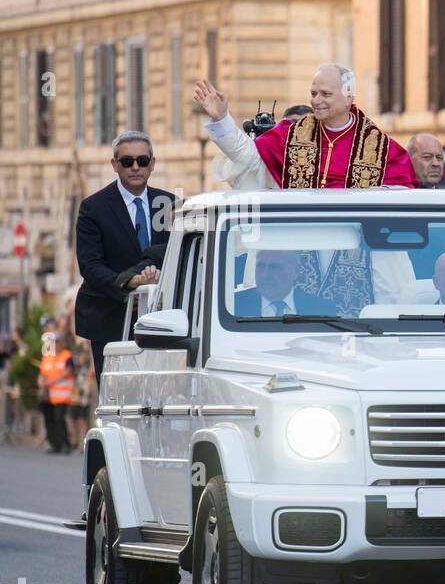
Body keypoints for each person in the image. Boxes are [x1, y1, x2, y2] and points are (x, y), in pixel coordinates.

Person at [194, 64, 416, 189]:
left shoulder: (379, 147)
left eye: (326, 94)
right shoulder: (291, 135)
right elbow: (247, 156)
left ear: (349, 97)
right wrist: (222, 119)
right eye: (313, 93)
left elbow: (402, 194)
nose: (316, 100)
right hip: (298, 248)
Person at [74, 130, 175, 377]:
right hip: (110, 319)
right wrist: (132, 280)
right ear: (115, 165)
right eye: (127, 161)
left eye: (142, 160)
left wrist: (157, 275)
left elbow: (178, 254)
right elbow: (90, 265)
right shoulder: (93, 208)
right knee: (115, 398)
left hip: (163, 321)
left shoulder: (171, 204)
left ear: (152, 164)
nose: (135, 167)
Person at [234, 251, 339, 317]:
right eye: (261, 266)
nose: (265, 275)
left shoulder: (323, 309)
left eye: (275, 267)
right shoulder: (234, 305)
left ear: (296, 271)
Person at [37, 333, 75, 454]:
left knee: (59, 418)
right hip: (48, 395)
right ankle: (54, 444)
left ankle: (65, 444)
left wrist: (52, 381)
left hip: (61, 395)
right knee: (49, 419)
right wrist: (40, 382)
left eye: (57, 342)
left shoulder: (67, 356)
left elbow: (69, 371)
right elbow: (42, 373)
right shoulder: (48, 356)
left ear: (61, 343)